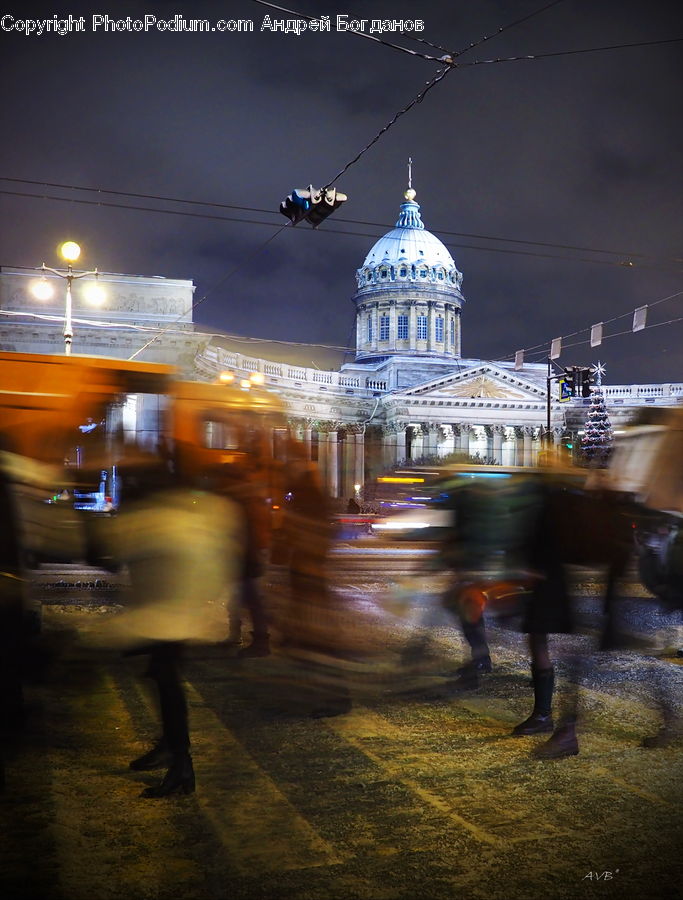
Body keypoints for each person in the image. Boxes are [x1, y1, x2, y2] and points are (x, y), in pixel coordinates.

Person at [89, 452, 244, 797]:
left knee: (166, 683)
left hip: (165, 619)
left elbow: (109, 556)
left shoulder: (154, 518)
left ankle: (181, 764)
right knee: (161, 677)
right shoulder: (191, 513)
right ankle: (172, 749)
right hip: (175, 615)